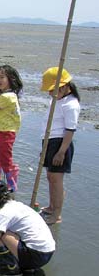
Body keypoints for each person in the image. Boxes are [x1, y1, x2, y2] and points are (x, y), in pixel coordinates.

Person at [0, 179, 55, 276]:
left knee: (0, 235)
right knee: (13, 231)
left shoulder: (3, 214)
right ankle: (27, 267)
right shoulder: (17, 205)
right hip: (48, 252)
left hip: (36, 255)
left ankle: (12, 269)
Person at [39, 67, 81, 225]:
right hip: (50, 141)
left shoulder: (71, 104)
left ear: (64, 86)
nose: (50, 93)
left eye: (52, 90)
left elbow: (70, 130)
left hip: (60, 143)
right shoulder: (57, 99)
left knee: (56, 179)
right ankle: (51, 206)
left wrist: (61, 152)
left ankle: (56, 215)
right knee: (51, 177)